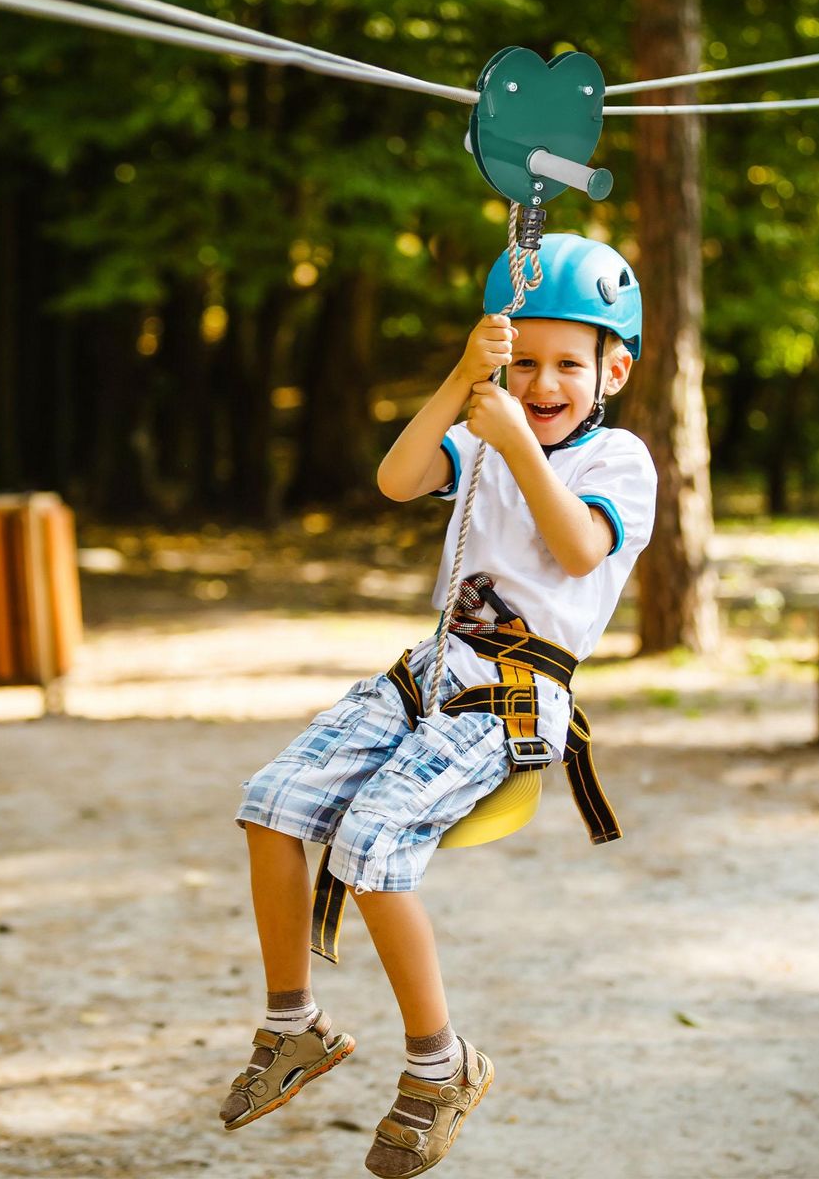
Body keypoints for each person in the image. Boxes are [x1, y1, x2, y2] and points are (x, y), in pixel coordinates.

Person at [219, 232, 657, 1178]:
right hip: (431, 671)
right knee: (272, 800)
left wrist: (510, 440)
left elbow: (580, 549)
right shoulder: (485, 426)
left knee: (372, 842)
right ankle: (293, 1025)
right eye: (524, 360)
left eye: (568, 366)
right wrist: (462, 381)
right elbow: (396, 478)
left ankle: (439, 1064)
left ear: (613, 368)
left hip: (514, 694)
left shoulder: (618, 461)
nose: (543, 383)